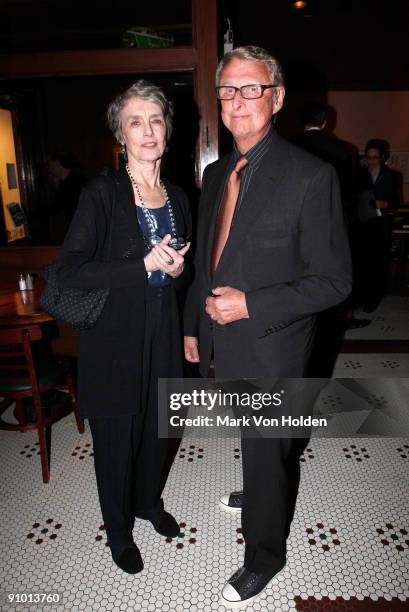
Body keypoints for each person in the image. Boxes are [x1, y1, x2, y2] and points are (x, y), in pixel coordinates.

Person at [184, 46, 352, 607]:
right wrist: (193, 326)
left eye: (250, 89)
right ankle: (261, 489)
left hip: (273, 342)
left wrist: (250, 306)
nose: (237, 102)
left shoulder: (311, 176)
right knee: (258, 443)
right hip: (219, 336)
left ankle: (264, 557)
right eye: (227, 90)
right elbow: (207, 258)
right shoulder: (213, 174)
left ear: (276, 98)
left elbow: (332, 282)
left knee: (267, 443)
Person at [54, 80, 191, 574]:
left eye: (155, 119)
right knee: (116, 438)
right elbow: (69, 270)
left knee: (158, 427)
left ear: (167, 131)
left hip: (163, 331)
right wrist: (140, 265)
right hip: (113, 339)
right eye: (136, 121)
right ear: (121, 134)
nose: (148, 130)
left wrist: (176, 272)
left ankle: (147, 503)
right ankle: (117, 529)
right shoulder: (102, 194)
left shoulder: (176, 196)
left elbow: (178, 273)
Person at [357, 138, 400, 312]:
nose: (371, 161)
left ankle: (374, 297)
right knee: (363, 262)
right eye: (368, 157)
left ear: (382, 157)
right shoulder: (359, 174)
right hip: (363, 224)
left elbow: (396, 202)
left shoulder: (392, 176)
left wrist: (386, 204)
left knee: (379, 262)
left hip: (381, 224)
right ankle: (362, 296)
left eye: (375, 157)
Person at [47, 152, 85, 244]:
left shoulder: (77, 183)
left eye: (50, 165)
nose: (49, 168)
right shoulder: (64, 183)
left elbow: (55, 207)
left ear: (57, 163)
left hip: (81, 232)